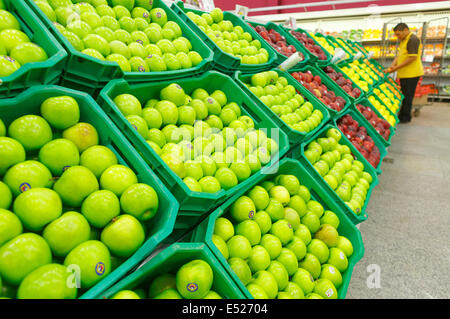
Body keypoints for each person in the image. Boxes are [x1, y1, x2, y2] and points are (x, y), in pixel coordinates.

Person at [384, 23, 424, 123]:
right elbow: (400, 55)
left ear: (406, 30)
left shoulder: (412, 39)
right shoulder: (404, 40)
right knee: (405, 95)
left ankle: (405, 118)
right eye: (396, 34)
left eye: (399, 34)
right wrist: (392, 65)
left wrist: (395, 68)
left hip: (411, 74)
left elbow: (412, 57)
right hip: (405, 73)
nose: (397, 36)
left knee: (408, 96)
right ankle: (403, 115)